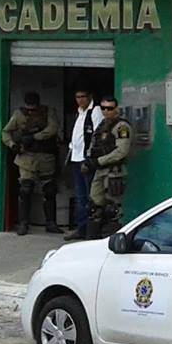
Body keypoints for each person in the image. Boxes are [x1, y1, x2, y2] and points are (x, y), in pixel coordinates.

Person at [1, 91, 62, 235]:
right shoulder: (19, 114)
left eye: (33, 107)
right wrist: (12, 145)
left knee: (49, 190)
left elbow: (53, 129)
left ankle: (51, 223)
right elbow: (5, 132)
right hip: (27, 157)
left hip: (46, 156)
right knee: (25, 190)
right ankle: (23, 223)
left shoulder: (49, 112)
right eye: (29, 107)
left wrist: (34, 137)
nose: (31, 110)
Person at [85, 96, 131, 239]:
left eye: (109, 108)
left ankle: (111, 240)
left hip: (114, 172)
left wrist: (99, 161)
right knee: (94, 206)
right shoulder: (102, 124)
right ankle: (92, 240)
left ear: (116, 109)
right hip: (100, 171)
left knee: (112, 209)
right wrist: (89, 159)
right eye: (103, 108)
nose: (106, 111)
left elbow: (121, 151)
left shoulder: (122, 127)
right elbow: (93, 144)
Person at [63, 89, 102, 241]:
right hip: (76, 158)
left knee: (91, 197)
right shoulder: (79, 113)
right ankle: (81, 228)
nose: (80, 100)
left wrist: (89, 158)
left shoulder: (95, 111)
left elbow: (96, 136)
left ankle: (91, 231)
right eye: (77, 97)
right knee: (80, 197)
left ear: (90, 97)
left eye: (83, 97)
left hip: (87, 159)